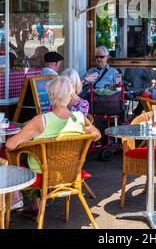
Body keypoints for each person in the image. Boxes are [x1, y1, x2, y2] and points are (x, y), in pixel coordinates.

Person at [6, 76, 100, 218]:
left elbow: (10, 145)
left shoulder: (40, 120)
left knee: (5, 152)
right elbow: (97, 134)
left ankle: (16, 199)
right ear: (70, 95)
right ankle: (27, 203)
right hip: (70, 171)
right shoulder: (79, 117)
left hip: (42, 172)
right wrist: (80, 135)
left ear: (50, 95)